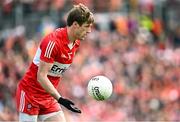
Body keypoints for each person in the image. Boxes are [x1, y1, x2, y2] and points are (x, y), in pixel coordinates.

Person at [16, 3, 94, 122]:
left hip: (48, 97)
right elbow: (41, 77)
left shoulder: (76, 43)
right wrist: (60, 99)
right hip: (30, 94)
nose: (89, 31)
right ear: (75, 25)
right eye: (87, 26)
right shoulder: (53, 42)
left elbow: (57, 70)